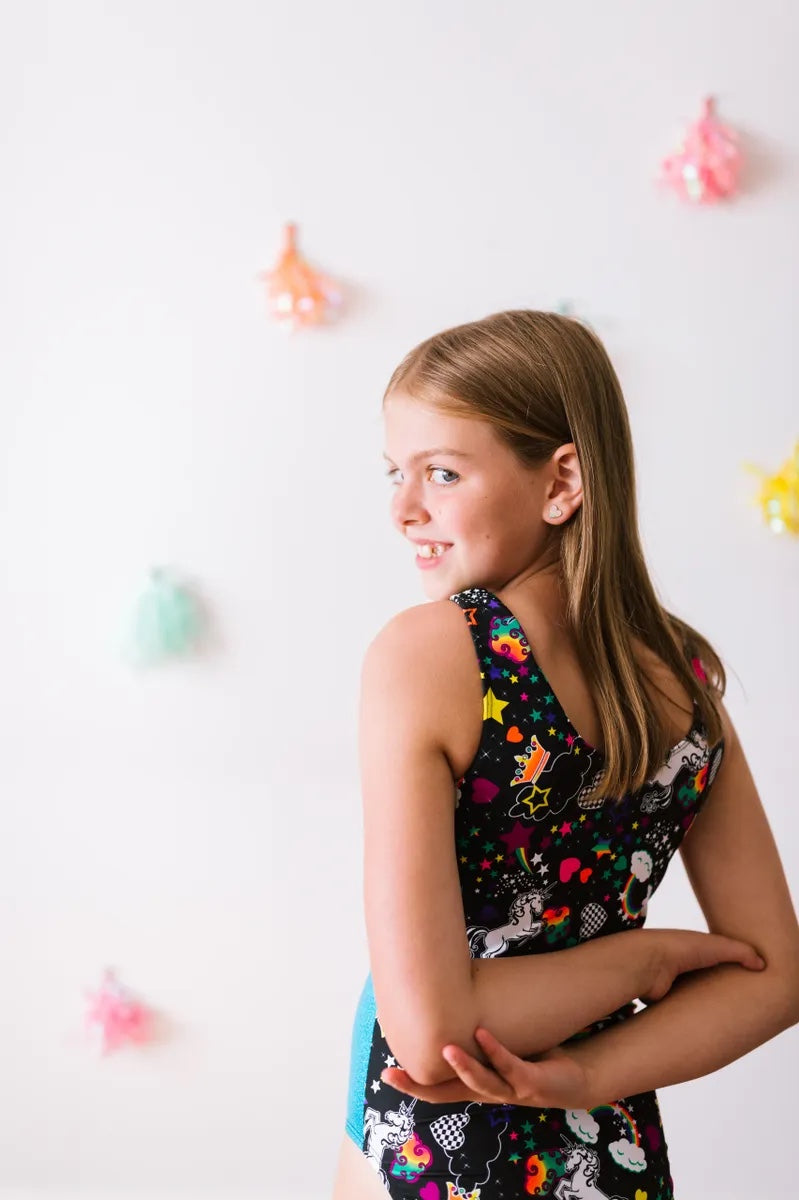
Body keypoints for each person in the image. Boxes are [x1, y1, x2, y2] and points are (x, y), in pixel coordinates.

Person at [332, 310, 799, 1200]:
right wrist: (600, 1044)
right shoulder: (687, 673)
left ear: (561, 482)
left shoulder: (430, 653)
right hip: (607, 1146)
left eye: (441, 472)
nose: (403, 510)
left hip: (440, 1144)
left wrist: (648, 963)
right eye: (396, 473)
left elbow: (428, 1025)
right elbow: (773, 976)